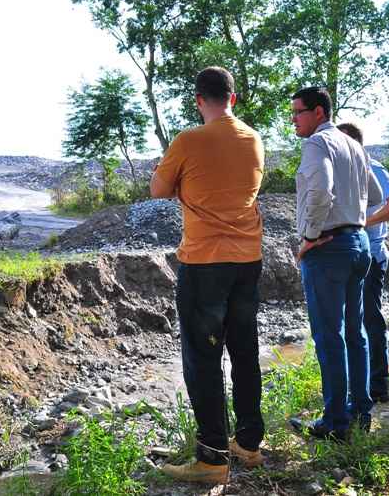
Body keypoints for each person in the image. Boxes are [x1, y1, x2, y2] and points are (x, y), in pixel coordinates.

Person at [150, 66, 266, 484]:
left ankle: (212, 457)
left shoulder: (188, 140)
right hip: (248, 259)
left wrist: (185, 186)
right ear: (233, 98)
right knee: (244, 350)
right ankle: (248, 444)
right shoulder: (254, 139)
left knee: (202, 358)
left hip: (204, 261)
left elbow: (159, 190)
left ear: (199, 100)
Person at [288, 87, 383, 440]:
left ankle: (334, 424)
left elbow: (321, 190)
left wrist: (311, 236)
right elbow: (374, 196)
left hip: (328, 248)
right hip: (359, 243)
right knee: (354, 334)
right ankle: (360, 413)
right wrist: (351, 211)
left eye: (297, 113)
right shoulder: (353, 145)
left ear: (317, 112)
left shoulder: (317, 144)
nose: (293, 120)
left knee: (330, 338)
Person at [337, 122, 389, 403]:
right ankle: (361, 383)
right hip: (355, 255)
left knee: (370, 319)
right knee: (354, 321)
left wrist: (363, 222)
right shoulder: (347, 170)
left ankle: (378, 385)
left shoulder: (372, 167)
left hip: (373, 255)